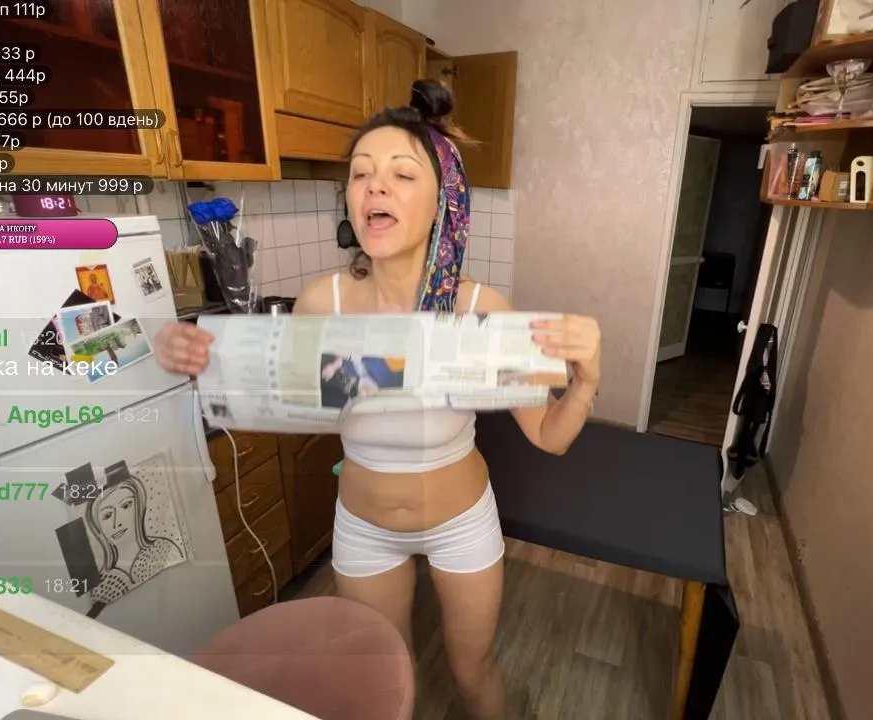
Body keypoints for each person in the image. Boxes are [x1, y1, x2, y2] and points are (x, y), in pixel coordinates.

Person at [152, 80, 601, 720]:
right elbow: (282, 402)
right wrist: (205, 362)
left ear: (443, 201)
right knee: (386, 681)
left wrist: (583, 383)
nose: (374, 187)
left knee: (472, 673)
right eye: (361, 174)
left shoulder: (480, 310)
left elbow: (549, 436)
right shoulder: (322, 303)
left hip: (461, 524)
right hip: (364, 531)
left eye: (400, 174)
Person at [83, 478, 185, 619]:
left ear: (139, 508)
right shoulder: (100, 585)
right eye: (107, 515)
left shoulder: (164, 548)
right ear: (97, 527)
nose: (117, 522)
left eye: (126, 506)